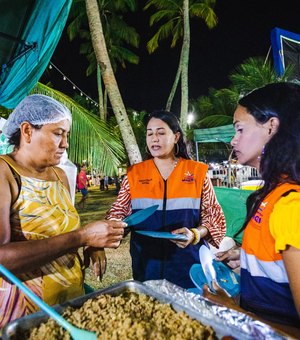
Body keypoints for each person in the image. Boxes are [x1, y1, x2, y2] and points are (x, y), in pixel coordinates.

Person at [0, 94, 126, 328]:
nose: (65, 144)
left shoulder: (58, 175)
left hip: (70, 302)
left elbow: (62, 228)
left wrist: (91, 243)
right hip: (28, 313)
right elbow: (2, 258)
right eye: (58, 133)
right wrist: (81, 237)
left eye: (66, 135)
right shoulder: (4, 173)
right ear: (27, 131)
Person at [204, 82, 300, 334]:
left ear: (272, 126)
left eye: (239, 129)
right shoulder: (270, 194)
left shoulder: (291, 205)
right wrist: (247, 259)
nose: (233, 140)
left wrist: (236, 313)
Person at [106, 110, 226, 289]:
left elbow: (214, 218)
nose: (154, 138)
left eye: (161, 133)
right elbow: (118, 211)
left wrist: (194, 234)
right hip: (146, 264)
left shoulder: (197, 173)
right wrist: (114, 226)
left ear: (176, 136)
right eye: (150, 133)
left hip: (188, 265)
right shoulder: (134, 174)